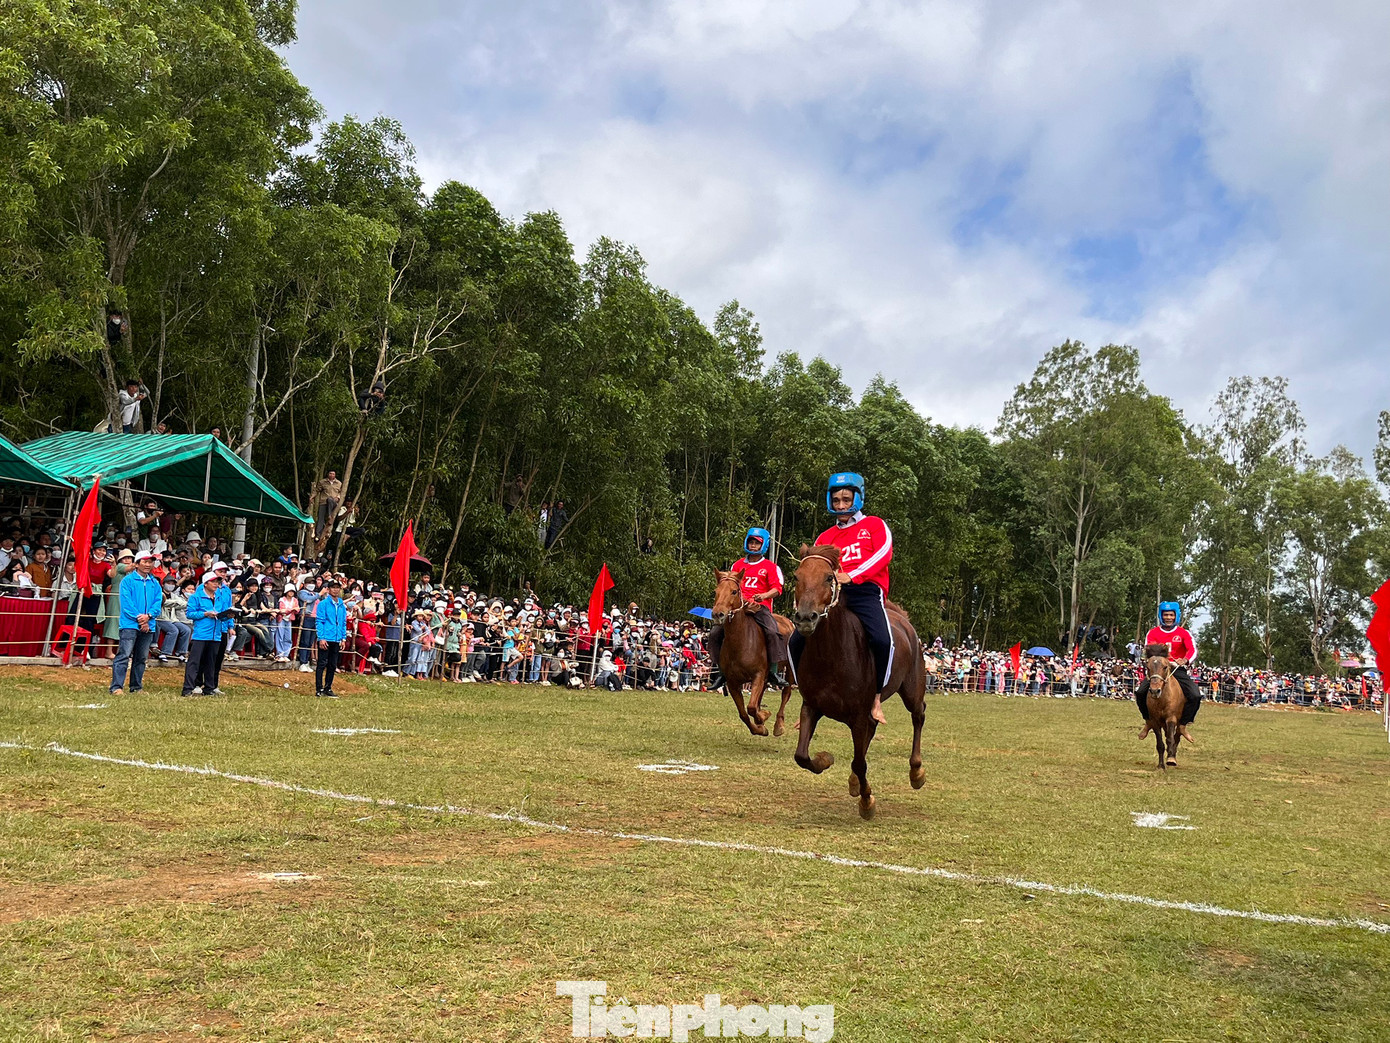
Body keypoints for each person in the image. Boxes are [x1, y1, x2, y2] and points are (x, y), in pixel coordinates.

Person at [789, 472, 896, 725]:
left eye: (846, 499)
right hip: (834, 595)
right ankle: (806, 697)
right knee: (794, 642)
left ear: (857, 498)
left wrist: (853, 575)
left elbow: (884, 554)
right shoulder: (824, 538)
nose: (840, 505)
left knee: (882, 640)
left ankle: (876, 698)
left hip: (867, 592)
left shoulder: (874, 525)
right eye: (836, 500)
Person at [706, 527, 790, 685]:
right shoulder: (736, 565)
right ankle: (721, 672)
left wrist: (763, 596)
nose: (753, 545)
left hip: (760, 607)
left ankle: (773, 671)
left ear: (763, 545)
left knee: (772, 632)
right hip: (738, 608)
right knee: (715, 633)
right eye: (751, 542)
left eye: (757, 543)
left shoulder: (771, 567)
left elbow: (777, 589)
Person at [1136, 601, 1202, 741]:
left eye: (1171, 615)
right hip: (1158, 670)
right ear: (1161, 615)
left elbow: (1192, 650)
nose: (1168, 617)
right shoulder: (1153, 633)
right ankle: (1148, 721)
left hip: (1177, 669)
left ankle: (1183, 724)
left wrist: (1185, 660)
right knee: (1140, 692)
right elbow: (1149, 650)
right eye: (1166, 615)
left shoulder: (1183, 633)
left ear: (1176, 616)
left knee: (1195, 695)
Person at [110, 550, 163, 695]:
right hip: (130, 624)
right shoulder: (127, 581)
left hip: (148, 624)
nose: (148, 565)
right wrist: (141, 618)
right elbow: (127, 604)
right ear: (137, 564)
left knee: (141, 657)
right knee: (123, 655)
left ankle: (136, 686)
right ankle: (116, 687)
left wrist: (149, 616)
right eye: (145, 562)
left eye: (150, 562)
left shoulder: (154, 583)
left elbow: (158, 603)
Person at [182, 571, 224, 695]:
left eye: (217, 582)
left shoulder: (219, 597)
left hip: (216, 634)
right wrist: (205, 614)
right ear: (206, 583)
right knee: (194, 662)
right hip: (201, 634)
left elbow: (221, 613)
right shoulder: (196, 597)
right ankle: (188, 688)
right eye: (213, 582)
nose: (216, 584)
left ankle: (209, 688)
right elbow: (190, 614)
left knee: (211, 663)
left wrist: (227, 616)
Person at [315, 577, 347, 697]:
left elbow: (343, 622)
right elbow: (320, 621)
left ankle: (328, 687)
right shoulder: (323, 604)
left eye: (337, 588)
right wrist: (321, 637)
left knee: (333, 665)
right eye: (333, 588)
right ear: (328, 590)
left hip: (336, 638)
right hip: (326, 637)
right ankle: (319, 688)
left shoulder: (341, 605)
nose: (335, 590)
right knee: (322, 663)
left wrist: (343, 638)